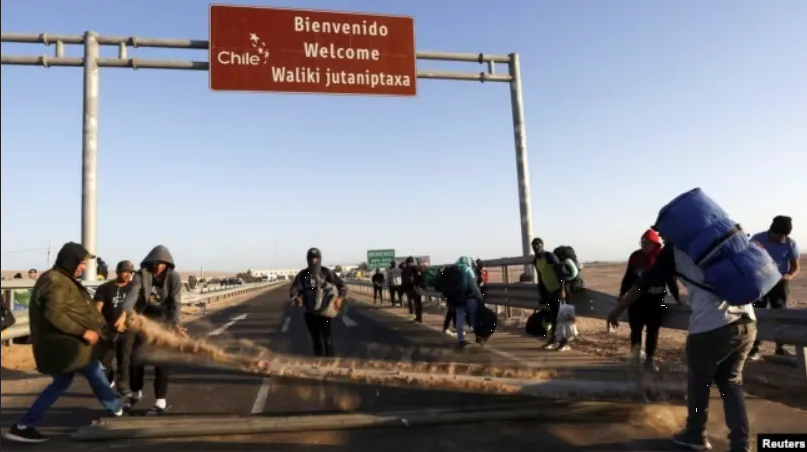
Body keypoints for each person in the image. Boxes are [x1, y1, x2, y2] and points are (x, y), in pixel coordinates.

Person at [608, 243, 756, 452]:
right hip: (747, 321)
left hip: (711, 325)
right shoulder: (722, 242)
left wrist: (619, 308)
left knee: (699, 384)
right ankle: (741, 445)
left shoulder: (675, 249)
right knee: (731, 385)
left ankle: (696, 434)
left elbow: (644, 283)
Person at [3, 242, 124, 444]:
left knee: (63, 382)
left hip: (65, 346)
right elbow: (54, 314)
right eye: (82, 263)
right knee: (94, 370)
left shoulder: (62, 279)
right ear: (70, 261)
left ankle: (24, 426)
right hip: (66, 346)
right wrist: (83, 331)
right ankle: (118, 410)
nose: (84, 267)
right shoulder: (55, 281)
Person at [117, 245, 183, 415]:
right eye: (156, 263)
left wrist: (174, 325)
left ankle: (160, 400)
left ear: (168, 264)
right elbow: (132, 295)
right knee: (136, 358)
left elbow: (175, 301)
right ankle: (135, 392)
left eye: (162, 263)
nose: (158, 266)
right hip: (144, 320)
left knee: (161, 362)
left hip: (164, 321)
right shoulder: (141, 275)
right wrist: (124, 314)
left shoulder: (173, 277)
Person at [618, 229, 680, 372]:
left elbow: (671, 280)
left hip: (656, 301)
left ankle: (649, 360)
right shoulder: (635, 257)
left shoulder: (662, 258)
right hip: (636, 301)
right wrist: (622, 293)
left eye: (646, 243)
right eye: (642, 242)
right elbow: (628, 277)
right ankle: (635, 358)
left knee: (652, 331)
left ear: (654, 244)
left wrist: (677, 298)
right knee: (636, 330)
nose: (643, 245)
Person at [748, 215, 800, 360]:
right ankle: (754, 348)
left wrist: (788, 276)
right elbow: (748, 259)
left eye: (784, 235)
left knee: (781, 313)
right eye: (778, 235)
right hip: (760, 283)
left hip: (779, 284)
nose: (780, 238)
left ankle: (780, 348)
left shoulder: (790, 244)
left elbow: (795, 267)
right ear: (771, 230)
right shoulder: (757, 239)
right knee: (758, 313)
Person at [290, 248, 347, 357]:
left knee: (327, 339)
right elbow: (293, 290)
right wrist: (297, 297)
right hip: (310, 314)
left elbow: (342, 285)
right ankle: (319, 363)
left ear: (319, 259)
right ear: (307, 260)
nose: (313, 261)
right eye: (311, 258)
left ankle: (330, 363)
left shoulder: (326, 272)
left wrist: (340, 298)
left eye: (316, 259)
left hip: (325, 313)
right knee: (316, 340)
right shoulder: (303, 274)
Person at [94, 261, 136, 391]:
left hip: (127, 329)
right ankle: (110, 379)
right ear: (117, 272)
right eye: (125, 271)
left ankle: (123, 385)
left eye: (130, 272)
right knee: (105, 360)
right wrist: (98, 324)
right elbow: (97, 307)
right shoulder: (105, 288)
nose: (128, 274)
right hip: (107, 329)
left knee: (124, 358)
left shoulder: (134, 289)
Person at [530, 238, 569, 351]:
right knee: (553, 316)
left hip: (557, 289)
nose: (536, 247)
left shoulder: (549, 256)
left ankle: (565, 342)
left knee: (562, 316)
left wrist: (562, 289)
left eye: (538, 245)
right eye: (534, 245)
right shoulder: (536, 260)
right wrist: (542, 294)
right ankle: (554, 339)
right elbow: (540, 277)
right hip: (548, 291)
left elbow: (561, 274)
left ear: (542, 245)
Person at [454, 256, 483, 348]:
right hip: (470, 298)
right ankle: (478, 337)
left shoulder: (455, 270)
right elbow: (474, 287)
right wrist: (480, 297)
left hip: (458, 299)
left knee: (459, 319)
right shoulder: (468, 270)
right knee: (474, 318)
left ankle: (460, 339)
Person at [401, 257, 425, 323]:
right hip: (417, 288)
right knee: (418, 303)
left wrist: (404, 289)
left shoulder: (406, 270)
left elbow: (404, 280)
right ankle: (419, 318)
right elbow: (421, 278)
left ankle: (417, 317)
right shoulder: (418, 268)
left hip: (411, 289)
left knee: (414, 303)